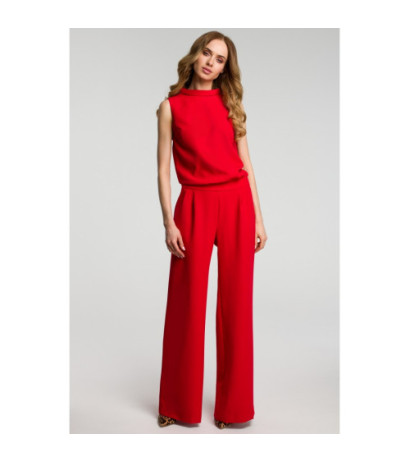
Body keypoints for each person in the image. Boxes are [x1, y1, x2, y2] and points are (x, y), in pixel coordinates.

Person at [156, 31, 267, 429]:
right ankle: (176, 403)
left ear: (224, 69)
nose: (211, 63)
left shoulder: (230, 103)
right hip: (194, 203)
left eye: (220, 59)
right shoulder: (170, 107)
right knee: (185, 303)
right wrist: (168, 220)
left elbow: (246, 162)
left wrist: (258, 217)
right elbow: (162, 169)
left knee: (236, 305)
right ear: (196, 55)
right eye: (207, 53)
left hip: (236, 202)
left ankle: (233, 409)